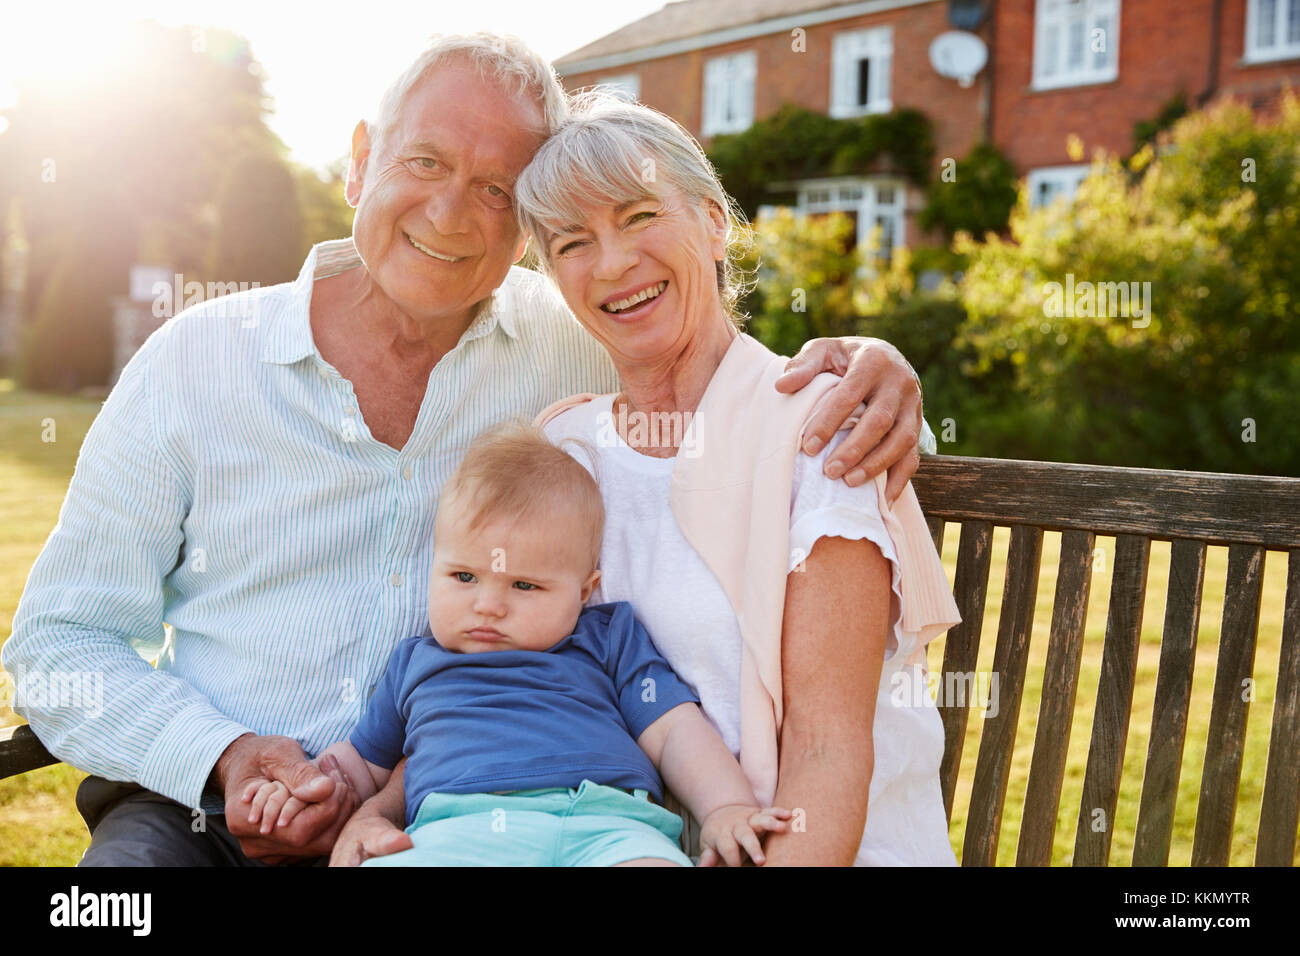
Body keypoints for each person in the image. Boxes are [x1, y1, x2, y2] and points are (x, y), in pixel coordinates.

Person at [3, 33, 932, 867]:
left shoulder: (563, 341)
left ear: (519, 229)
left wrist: (883, 374)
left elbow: (720, 370)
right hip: (208, 813)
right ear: (362, 161)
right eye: (425, 161)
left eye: (496, 190)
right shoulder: (194, 364)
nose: (452, 215)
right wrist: (219, 756)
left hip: (466, 818)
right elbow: (58, 644)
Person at [335, 92, 962, 866]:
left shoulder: (821, 430)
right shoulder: (565, 451)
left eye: (638, 217)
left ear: (713, 221)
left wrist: (890, 364)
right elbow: (497, 689)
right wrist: (381, 809)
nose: (613, 263)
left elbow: (827, 753)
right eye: (571, 243)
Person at [242, 422, 790, 866]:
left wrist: (725, 807)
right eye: (463, 577)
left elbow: (674, 733)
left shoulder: (607, 638)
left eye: (524, 585)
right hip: (455, 834)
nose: (488, 604)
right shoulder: (416, 662)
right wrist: (305, 789)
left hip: (606, 826)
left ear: (584, 590)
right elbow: (363, 764)